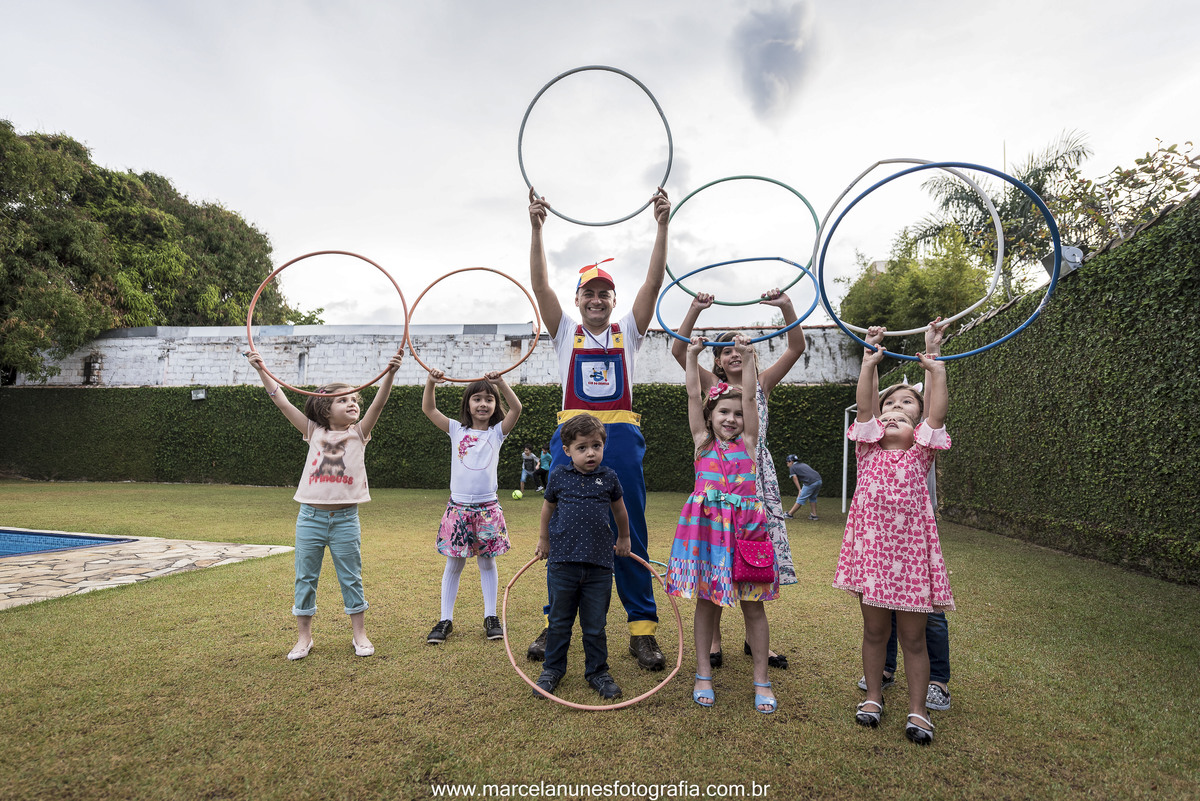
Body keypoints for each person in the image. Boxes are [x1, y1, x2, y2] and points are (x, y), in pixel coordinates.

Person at [525, 185, 671, 671]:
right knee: (565, 533)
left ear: (613, 299)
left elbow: (652, 284)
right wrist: (537, 227)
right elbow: (541, 287)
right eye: (588, 292)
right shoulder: (564, 331)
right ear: (578, 299)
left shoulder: (627, 330)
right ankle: (555, 622)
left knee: (632, 531)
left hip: (622, 440)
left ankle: (642, 630)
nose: (596, 298)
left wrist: (662, 225)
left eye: (604, 292)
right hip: (570, 437)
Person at [669, 292, 806, 669]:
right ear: (716, 358)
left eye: (738, 349)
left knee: (754, 559)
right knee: (716, 553)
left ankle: (754, 639)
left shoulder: (759, 382)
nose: (733, 353)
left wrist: (786, 307)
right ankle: (713, 642)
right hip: (719, 474)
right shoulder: (712, 387)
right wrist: (695, 311)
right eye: (725, 349)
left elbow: (797, 346)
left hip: (754, 477)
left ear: (748, 355)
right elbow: (681, 355)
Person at [833, 321, 953, 745]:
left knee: (914, 638)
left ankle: (918, 711)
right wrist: (869, 359)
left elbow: (936, 411)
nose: (891, 416)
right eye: (887, 412)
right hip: (873, 561)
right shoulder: (867, 451)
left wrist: (934, 362)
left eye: (903, 413)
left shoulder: (922, 454)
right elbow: (865, 407)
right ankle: (873, 698)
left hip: (912, 567)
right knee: (873, 633)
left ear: (917, 428)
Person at [246, 348, 403, 661]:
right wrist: (262, 369)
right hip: (310, 519)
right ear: (325, 408)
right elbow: (281, 400)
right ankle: (304, 638)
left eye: (355, 400)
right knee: (305, 578)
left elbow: (380, 402)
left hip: (346, 520)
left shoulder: (360, 433)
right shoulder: (312, 431)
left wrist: (390, 374)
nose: (353, 403)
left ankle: (360, 635)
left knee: (351, 578)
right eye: (343, 400)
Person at [667, 335, 778, 713]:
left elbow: (750, 397)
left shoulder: (750, 444)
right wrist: (693, 355)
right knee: (706, 603)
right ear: (710, 416)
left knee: (754, 606)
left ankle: (761, 680)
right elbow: (692, 397)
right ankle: (702, 673)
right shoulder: (701, 443)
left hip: (746, 531)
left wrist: (747, 357)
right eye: (722, 413)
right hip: (707, 534)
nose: (731, 418)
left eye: (738, 414)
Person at [532, 413, 631, 701]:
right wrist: (543, 539)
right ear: (567, 451)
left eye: (596, 446)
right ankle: (552, 670)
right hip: (563, 564)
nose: (591, 453)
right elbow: (547, 509)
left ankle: (597, 672)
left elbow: (620, 511)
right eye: (582, 447)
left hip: (599, 567)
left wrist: (624, 538)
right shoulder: (559, 475)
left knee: (595, 625)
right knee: (559, 621)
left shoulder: (609, 477)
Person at [421, 368, 522, 645]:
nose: (483, 404)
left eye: (489, 399)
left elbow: (517, 407)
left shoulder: (497, 433)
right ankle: (445, 619)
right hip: (458, 510)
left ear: (494, 405)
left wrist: (500, 382)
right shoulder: (456, 429)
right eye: (477, 399)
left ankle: (491, 617)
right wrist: (431, 382)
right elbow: (429, 408)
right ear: (467, 404)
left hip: (487, 510)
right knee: (454, 564)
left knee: (486, 563)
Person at [784, 455, 822, 520]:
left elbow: (795, 478)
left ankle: (789, 514)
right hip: (819, 480)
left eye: (787, 462)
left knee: (800, 498)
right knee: (812, 497)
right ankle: (814, 515)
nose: (787, 464)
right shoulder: (802, 464)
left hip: (810, 482)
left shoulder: (792, 467)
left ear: (791, 461)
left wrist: (799, 489)